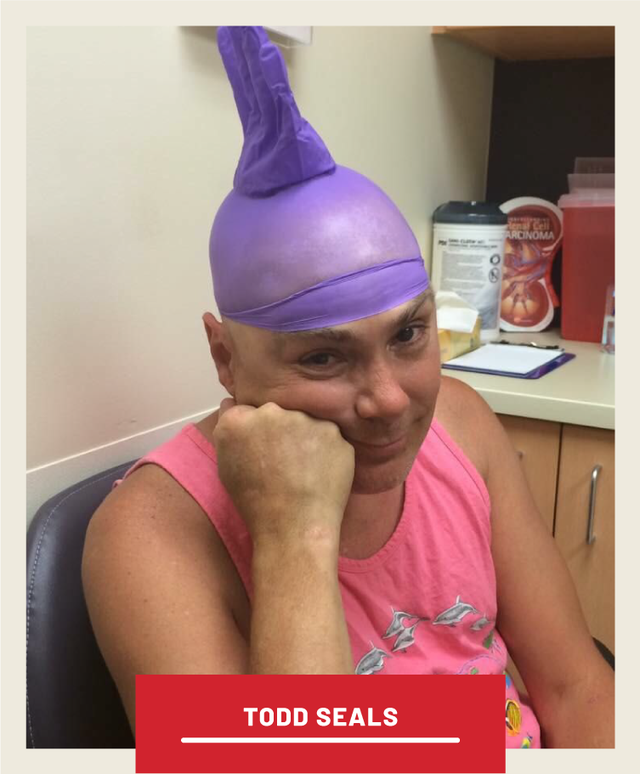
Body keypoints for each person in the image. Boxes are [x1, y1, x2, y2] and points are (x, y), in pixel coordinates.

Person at [81, 26, 614, 748]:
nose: (391, 399)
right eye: (324, 360)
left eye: (408, 334)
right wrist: (293, 536)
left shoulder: (460, 424)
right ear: (225, 357)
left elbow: (574, 686)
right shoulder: (147, 536)